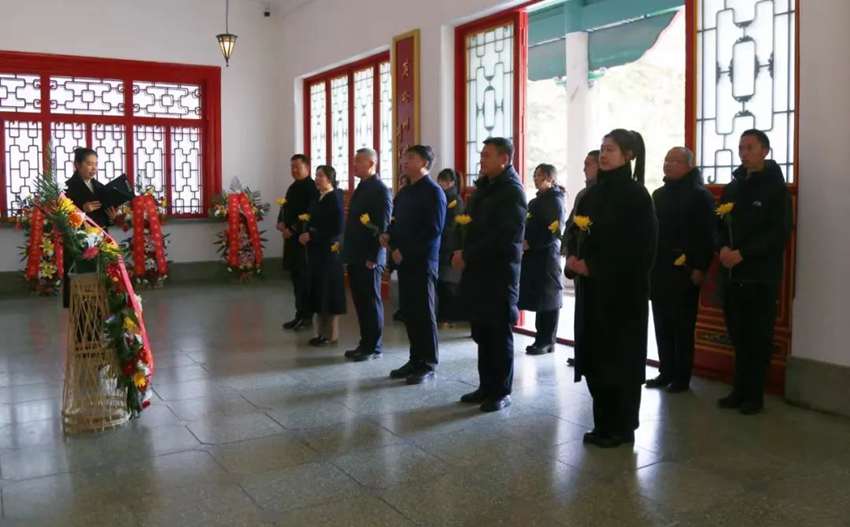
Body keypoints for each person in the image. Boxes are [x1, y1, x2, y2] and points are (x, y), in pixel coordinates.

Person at [565, 129, 657, 448]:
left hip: (622, 295)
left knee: (619, 361)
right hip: (592, 294)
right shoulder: (592, 194)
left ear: (628, 155)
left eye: (611, 150)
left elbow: (640, 250)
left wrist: (594, 266)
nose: (603, 155)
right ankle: (603, 423)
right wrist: (573, 258)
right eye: (602, 149)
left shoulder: (636, 196)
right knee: (596, 359)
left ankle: (622, 427)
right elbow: (575, 232)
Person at [716, 130, 792, 415]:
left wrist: (744, 253)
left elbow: (778, 233)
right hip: (732, 275)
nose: (744, 153)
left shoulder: (776, 189)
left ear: (765, 151)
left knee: (757, 337)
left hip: (759, 276)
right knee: (737, 335)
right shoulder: (733, 187)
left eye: (750, 147)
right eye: (741, 148)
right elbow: (718, 223)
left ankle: (754, 395)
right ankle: (738, 390)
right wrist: (722, 247)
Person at [452, 137, 527, 412]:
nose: (481, 159)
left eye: (487, 155)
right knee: (482, 331)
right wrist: (461, 248)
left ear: (504, 159)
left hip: (499, 273)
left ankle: (501, 391)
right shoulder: (485, 187)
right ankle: (485, 386)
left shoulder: (512, 191)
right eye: (481, 154)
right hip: (478, 271)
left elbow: (503, 237)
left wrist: (468, 254)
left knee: (498, 333)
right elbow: (472, 226)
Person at [646, 147, 716, 393]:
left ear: (689, 165)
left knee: (682, 326)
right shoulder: (658, 194)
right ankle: (665, 371)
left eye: (674, 161)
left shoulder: (700, 196)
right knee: (662, 323)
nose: (668, 164)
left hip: (685, 269)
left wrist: (699, 267)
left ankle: (682, 377)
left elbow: (706, 236)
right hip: (660, 269)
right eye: (666, 160)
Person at [382, 146, 446, 383]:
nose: (404, 161)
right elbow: (396, 222)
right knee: (409, 312)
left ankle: (428, 362)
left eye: (410, 158)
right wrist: (389, 235)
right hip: (404, 261)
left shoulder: (434, 192)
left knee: (424, 313)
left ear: (424, 163)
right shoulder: (405, 192)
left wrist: (405, 251)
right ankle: (414, 359)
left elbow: (433, 230)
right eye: (404, 157)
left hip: (422, 262)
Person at [342, 148, 392, 362]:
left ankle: (374, 347)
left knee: (370, 302)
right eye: (354, 161)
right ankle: (365, 343)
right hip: (356, 254)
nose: (354, 165)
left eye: (358, 161)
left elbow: (383, 226)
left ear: (371, 164)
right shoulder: (362, 187)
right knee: (360, 302)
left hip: (369, 257)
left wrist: (374, 256)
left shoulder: (380, 190)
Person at [518, 164, 566, 355]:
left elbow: (553, 230)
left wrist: (532, 243)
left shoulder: (555, 201)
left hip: (547, 256)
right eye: (535, 175)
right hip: (534, 255)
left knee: (549, 298)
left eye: (539, 175)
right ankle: (540, 338)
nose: (536, 178)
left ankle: (547, 340)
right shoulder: (537, 200)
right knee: (539, 298)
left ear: (550, 178)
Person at [64, 147, 117, 308]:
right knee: (82, 289)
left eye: (95, 164)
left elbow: (104, 216)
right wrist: (82, 209)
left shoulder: (100, 187)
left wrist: (111, 217)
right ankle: (81, 317)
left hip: (100, 239)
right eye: (89, 164)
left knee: (101, 282)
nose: (93, 168)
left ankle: (100, 315)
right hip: (80, 242)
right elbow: (63, 218)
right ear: (77, 165)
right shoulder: (68, 188)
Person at [298, 165, 346, 347]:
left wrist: (312, 235)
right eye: (316, 176)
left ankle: (330, 334)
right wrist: (306, 232)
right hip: (316, 252)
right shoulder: (318, 197)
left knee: (328, 292)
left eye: (321, 176)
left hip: (329, 253)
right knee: (318, 291)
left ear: (330, 179)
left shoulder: (334, 198)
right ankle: (321, 333)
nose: (317, 179)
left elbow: (337, 228)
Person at [563, 150, 600, 367]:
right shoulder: (582, 194)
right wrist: (570, 253)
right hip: (578, 263)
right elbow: (572, 225)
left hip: (595, 265)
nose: (584, 168)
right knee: (581, 313)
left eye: (588, 164)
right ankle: (582, 352)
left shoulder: (605, 195)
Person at [278, 154, 319, 331]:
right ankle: (299, 314)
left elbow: (310, 214)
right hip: (291, 241)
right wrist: (281, 222)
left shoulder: (312, 188)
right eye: (292, 167)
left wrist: (293, 229)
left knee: (305, 280)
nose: (294, 170)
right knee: (296, 279)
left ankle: (307, 317)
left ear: (307, 168)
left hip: (303, 242)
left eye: (297, 167)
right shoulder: (293, 187)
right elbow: (285, 208)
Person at [436, 168, 465, 324]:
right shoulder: (441, 197)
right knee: (441, 283)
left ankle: (449, 317)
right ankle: (443, 316)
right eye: (440, 180)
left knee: (449, 284)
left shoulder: (455, 201)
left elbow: (452, 225)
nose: (441, 184)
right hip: (441, 246)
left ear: (452, 182)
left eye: (444, 181)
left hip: (449, 246)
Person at [390, 174, 410, 324]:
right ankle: (403, 308)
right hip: (398, 244)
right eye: (400, 183)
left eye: (404, 183)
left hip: (409, 248)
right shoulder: (399, 198)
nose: (402, 186)